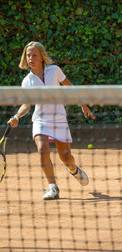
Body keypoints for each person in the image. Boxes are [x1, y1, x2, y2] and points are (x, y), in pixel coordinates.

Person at [8, 41, 95, 200]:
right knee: (42, 149)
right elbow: (27, 105)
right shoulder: (27, 81)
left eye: (34, 55)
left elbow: (69, 86)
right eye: (28, 55)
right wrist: (16, 116)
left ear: (42, 57)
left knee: (66, 158)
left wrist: (83, 105)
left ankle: (74, 169)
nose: (31, 58)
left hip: (59, 120)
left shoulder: (54, 71)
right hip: (40, 119)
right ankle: (52, 187)